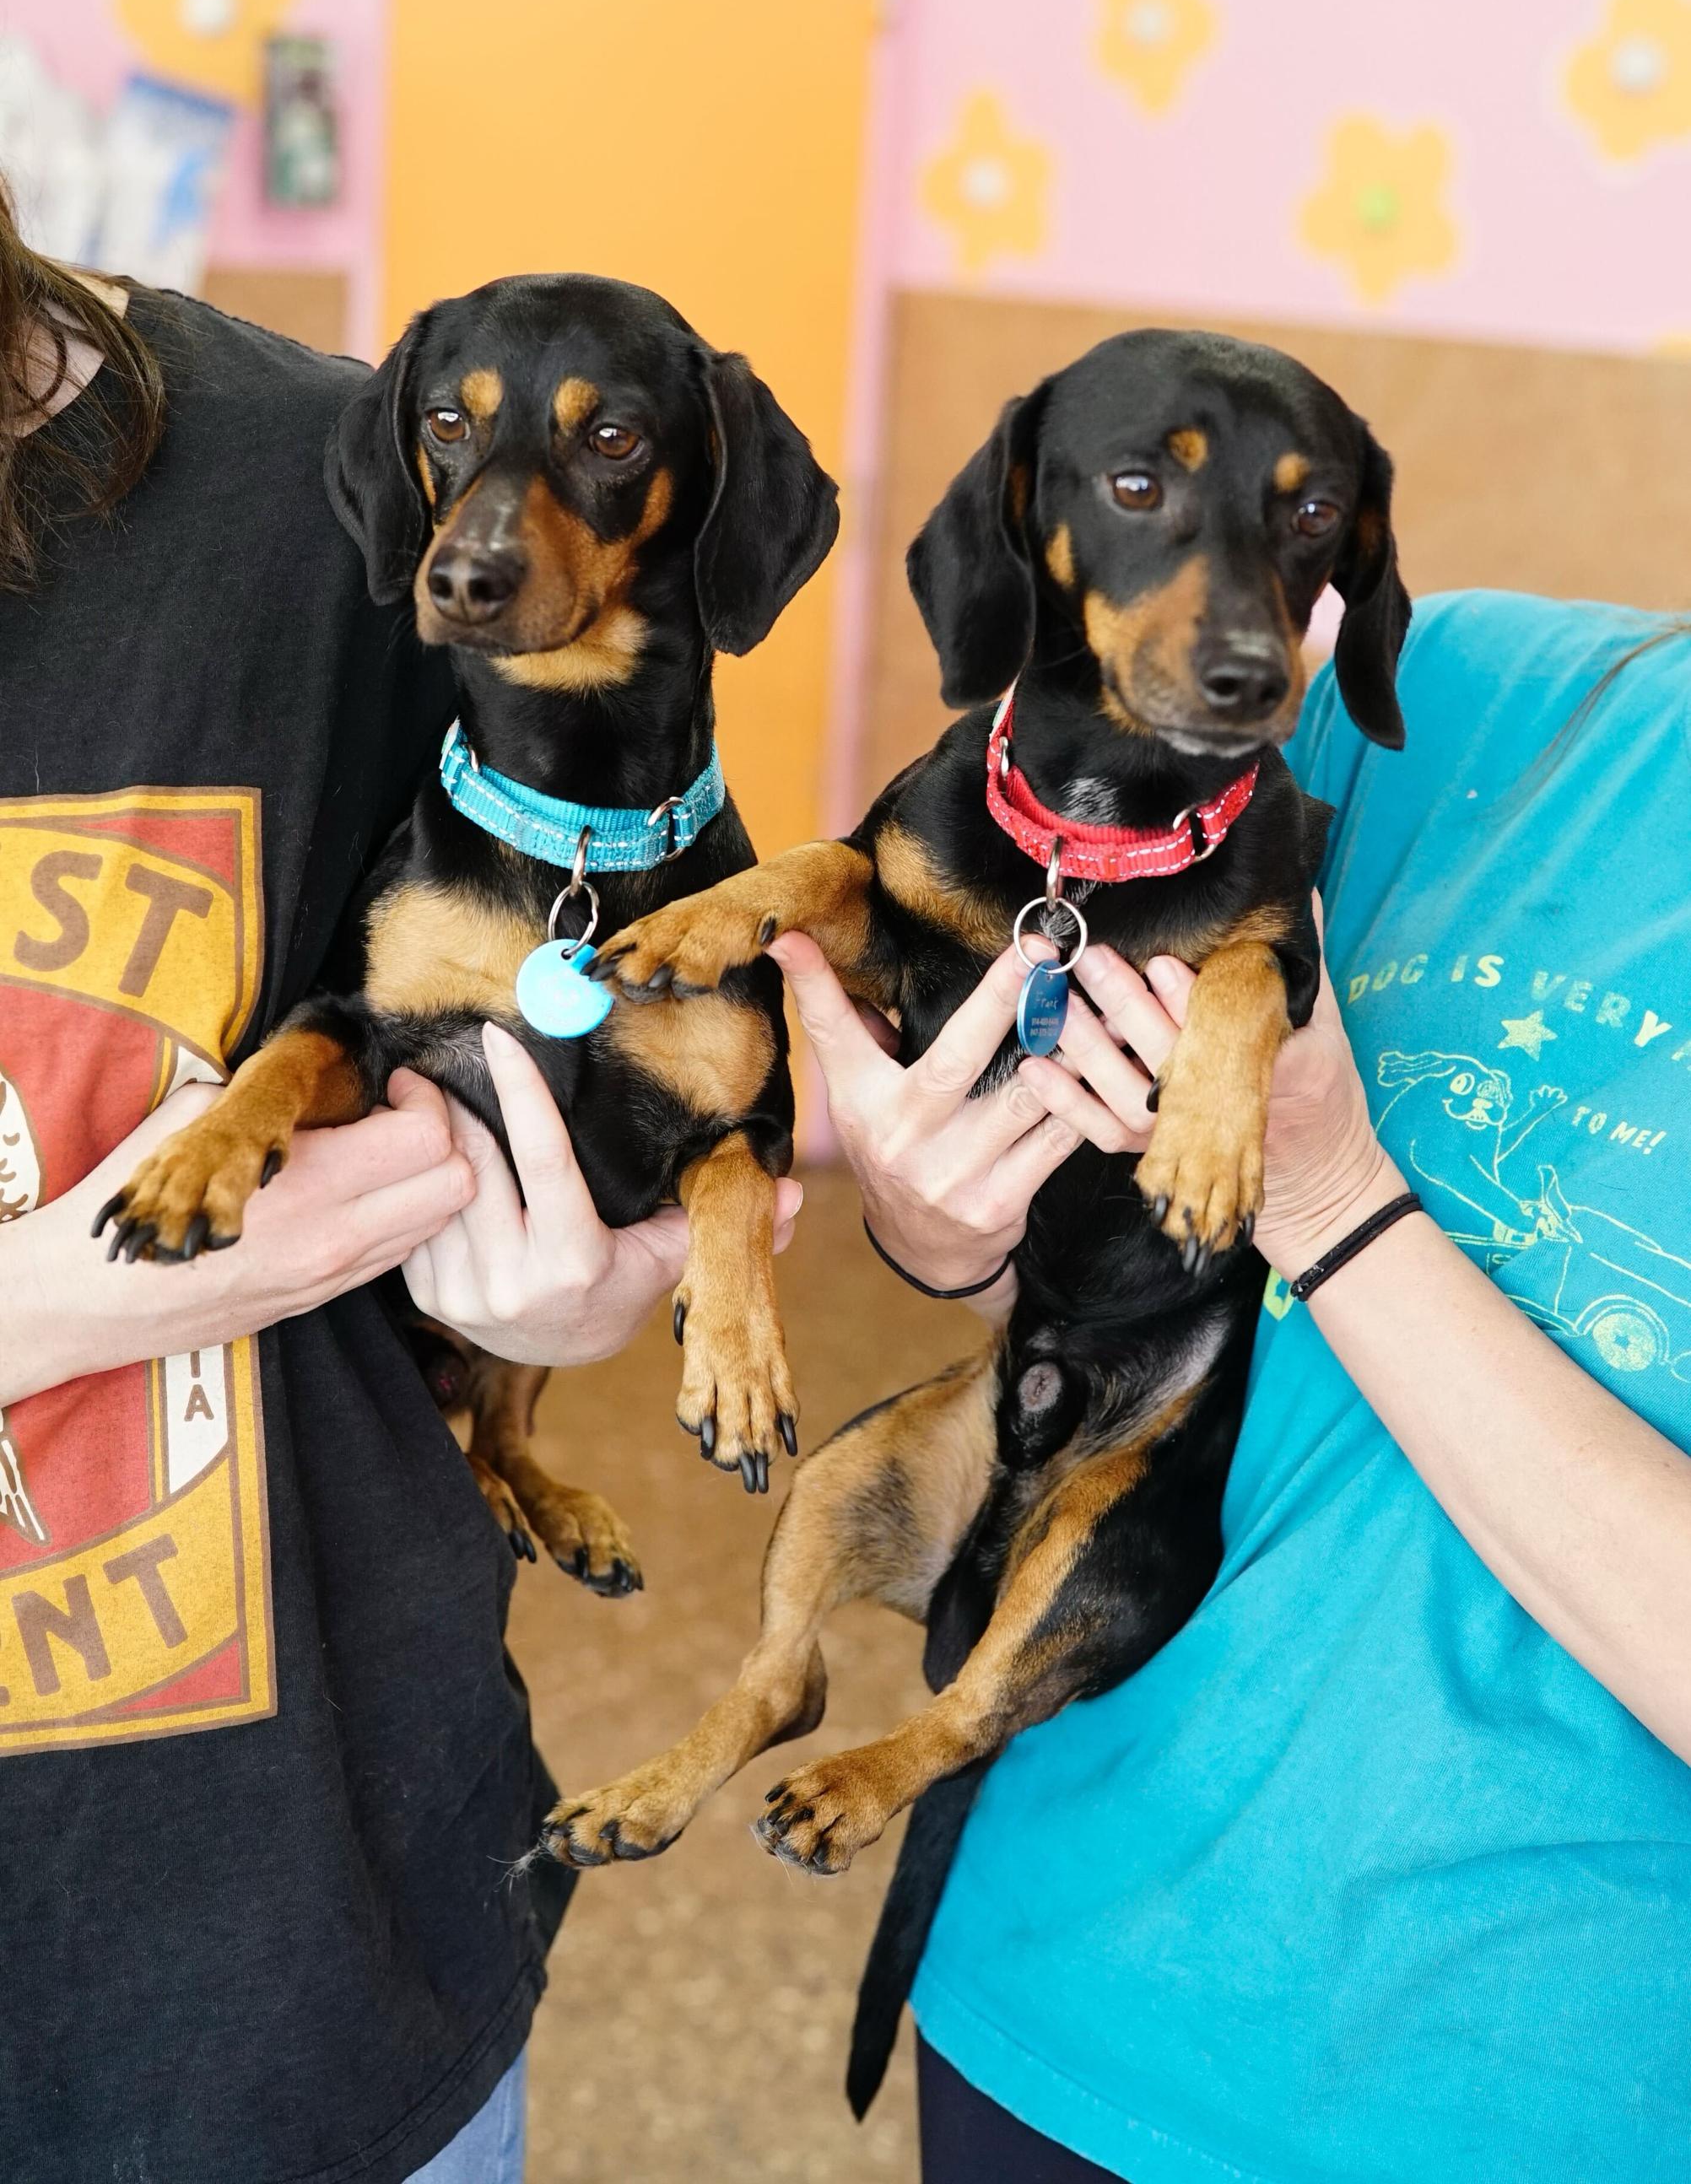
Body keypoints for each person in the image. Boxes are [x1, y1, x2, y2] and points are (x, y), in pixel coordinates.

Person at [0, 189, 796, 2183]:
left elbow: (477, 1009)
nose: (495, 517)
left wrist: (575, 1272)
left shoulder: (307, 489)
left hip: (302, 1943)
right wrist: (93, 1296)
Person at [769, 586, 1691, 2184]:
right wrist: (942, 1221)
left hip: (1518, 2107)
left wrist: (1335, 1204)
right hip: (1048, 1965)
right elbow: (1120, 1256)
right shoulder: (1451, 689)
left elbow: (1293, 1200)